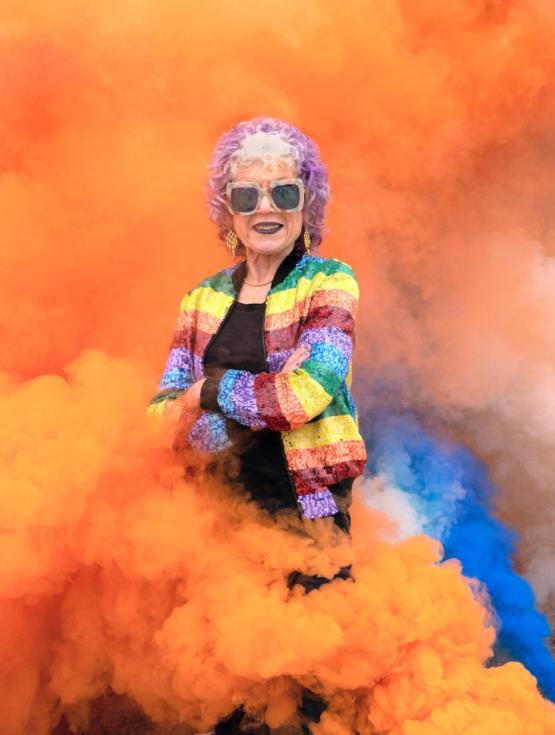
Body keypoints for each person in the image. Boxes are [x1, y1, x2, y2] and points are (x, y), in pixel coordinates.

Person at [147, 116, 367, 734]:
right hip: (220, 516)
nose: (265, 207)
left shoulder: (330, 282)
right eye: (247, 195)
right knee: (231, 688)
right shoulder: (201, 299)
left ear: (307, 202)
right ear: (228, 211)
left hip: (309, 509)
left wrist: (210, 391)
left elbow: (306, 394)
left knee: (316, 687)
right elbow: (158, 415)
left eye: (284, 192)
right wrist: (215, 418)